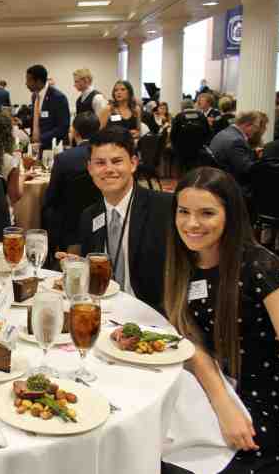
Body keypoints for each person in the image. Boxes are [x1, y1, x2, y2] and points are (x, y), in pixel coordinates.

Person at [162, 167, 279, 473]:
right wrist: (220, 401)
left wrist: (228, 408)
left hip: (257, 408)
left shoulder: (260, 267)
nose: (192, 224)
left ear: (230, 215)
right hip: (206, 393)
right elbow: (191, 341)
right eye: (183, 211)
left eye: (207, 213)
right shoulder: (184, 260)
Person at [77, 126, 173, 312]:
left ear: (133, 163)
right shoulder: (89, 216)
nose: (109, 169)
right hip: (104, 312)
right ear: (90, 168)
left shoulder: (163, 208)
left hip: (152, 315)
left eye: (117, 161)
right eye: (100, 163)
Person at [42, 112, 101, 250]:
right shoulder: (105, 157)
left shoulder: (63, 158)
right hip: (99, 216)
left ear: (75, 132)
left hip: (67, 222)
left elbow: (51, 197)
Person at [209, 111, 267, 193]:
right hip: (232, 185)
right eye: (256, 127)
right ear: (247, 125)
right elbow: (247, 169)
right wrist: (264, 164)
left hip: (218, 177)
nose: (256, 131)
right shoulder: (236, 140)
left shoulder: (225, 132)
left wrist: (253, 153)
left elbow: (235, 156)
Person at [24, 64, 70, 149]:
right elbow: (37, 119)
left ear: (38, 81)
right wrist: (22, 122)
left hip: (52, 147)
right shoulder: (35, 96)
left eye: (29, 80)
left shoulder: (58, 97)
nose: (26, 84)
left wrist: (41, 139)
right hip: (36, 146)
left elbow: (63, 127)